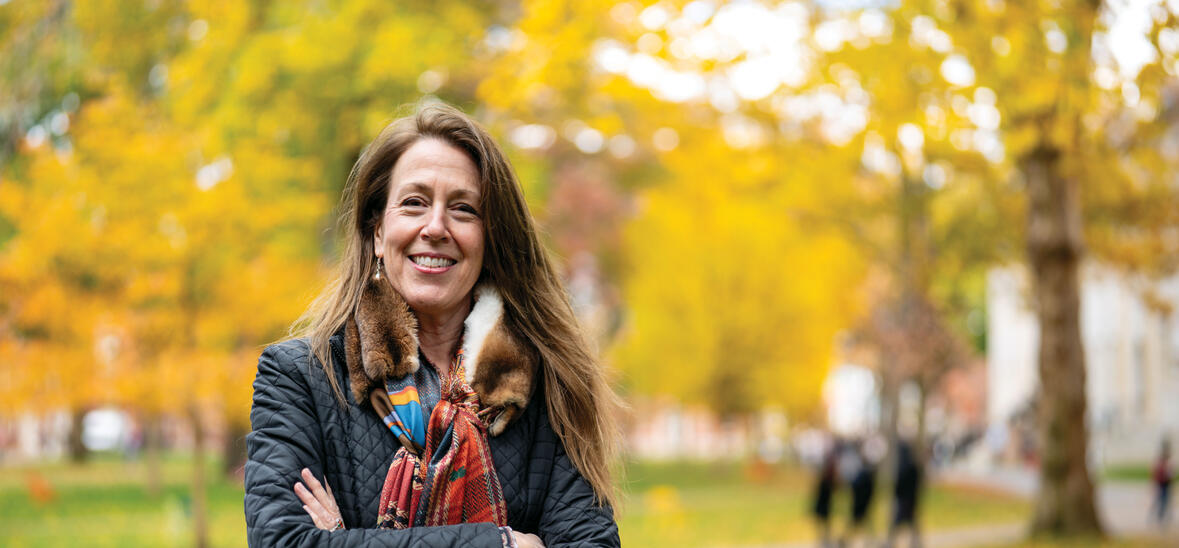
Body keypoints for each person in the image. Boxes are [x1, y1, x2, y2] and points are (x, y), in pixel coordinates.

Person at [243, 102, 622, 547]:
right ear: (377, 233)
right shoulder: (299, 378)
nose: (436, 226)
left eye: (463, 209)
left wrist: (346, 540)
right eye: (414, 203)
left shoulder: (544, 382)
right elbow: (281, 543)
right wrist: (500, 544)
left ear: (491, 239)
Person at [884, 439, 922, 548]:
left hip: (904, 502)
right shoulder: (913, 468)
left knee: (898, 524)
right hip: (910, 501)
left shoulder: (905, 469)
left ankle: (891, 543)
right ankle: (914, 543)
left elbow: (899, 487)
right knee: (909, 525)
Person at [811, 439, 838, 548]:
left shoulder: (827, 478)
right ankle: (824, 540)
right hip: (824, 503)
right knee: (823, 523)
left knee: (825, 523)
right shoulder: (825, 479)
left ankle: (825, 540)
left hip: (826, 504)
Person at [1153, 439, 1172, 528]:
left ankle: (1163, 517)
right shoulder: (1162, 463)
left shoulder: (1165, 462)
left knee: (1163, 500)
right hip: (1163, 483)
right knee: (1162, 500)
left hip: (1166, 483)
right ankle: (1160, 517)